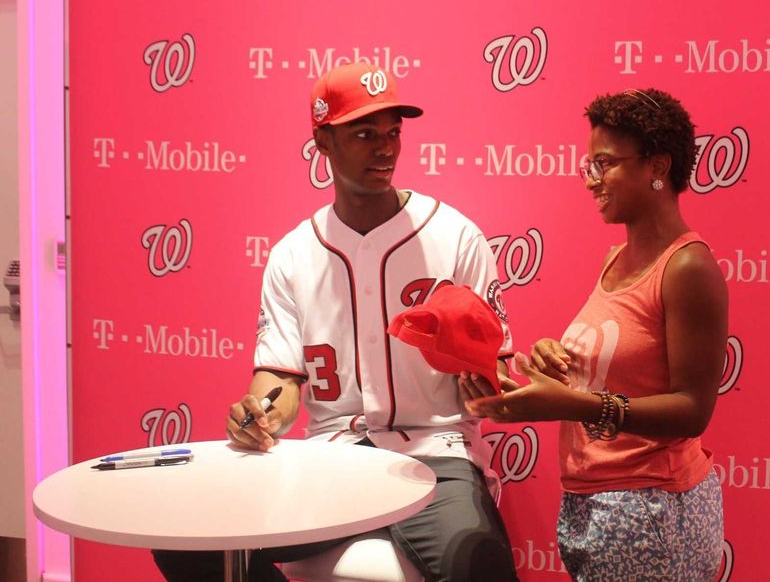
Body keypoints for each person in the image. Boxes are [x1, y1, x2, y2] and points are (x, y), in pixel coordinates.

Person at [153, 63, 519, 582]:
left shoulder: (456, 237)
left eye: (393, 133)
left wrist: (485, 382)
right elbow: (278, 382)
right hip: (332, 458)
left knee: (480, 567)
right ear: (322, 141)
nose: (385, 148)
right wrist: (258, 414)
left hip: (436, 454)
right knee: (185, 542)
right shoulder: (292, 254)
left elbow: (494, 380)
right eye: (364, 133)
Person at [462, 88, 728, 581]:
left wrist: (570, 405)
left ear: (657, 167)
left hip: (654, 511)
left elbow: (693, 410)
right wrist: (556, 359)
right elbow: (622, 363)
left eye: (605, 163)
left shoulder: (688, 267)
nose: (591, 180)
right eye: (589, 165)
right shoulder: (615, 259)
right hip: (597, 504)